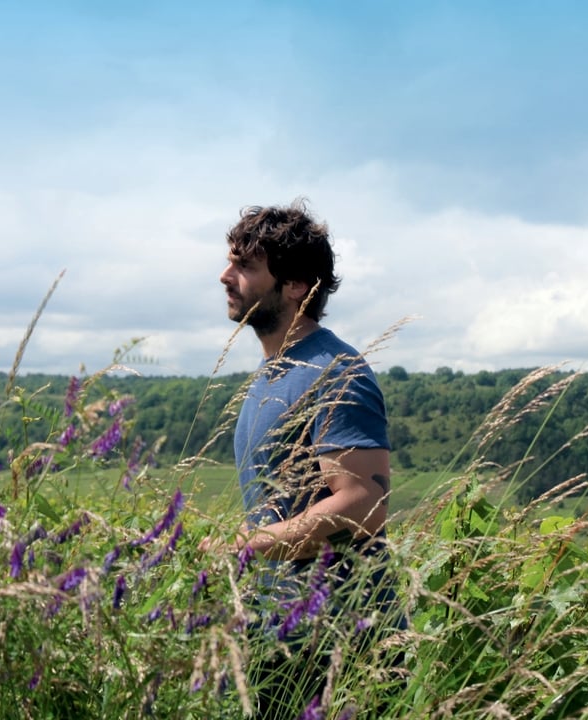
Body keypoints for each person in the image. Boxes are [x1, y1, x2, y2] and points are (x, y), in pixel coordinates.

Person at [208, 201, 402, 718]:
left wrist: (243, 545)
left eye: (245, 266)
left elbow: (363, 503)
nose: (225, 276)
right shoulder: (271, 375)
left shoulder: (337, 372)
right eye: (230, 261)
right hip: (281, 634)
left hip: (338, 637)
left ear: (295, 285)